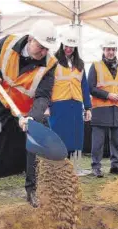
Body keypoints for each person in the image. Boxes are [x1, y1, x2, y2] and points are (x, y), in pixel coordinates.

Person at [0, 20, 58, 207]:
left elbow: (43, 96)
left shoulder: (50, 64)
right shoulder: (6, 43)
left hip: (27, 109)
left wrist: (32, 118)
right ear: (30, 39)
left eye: (47, 49)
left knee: (32, 147)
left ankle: (31, 190)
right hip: (2, 104)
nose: (44, 52)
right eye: (41, 47)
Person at [47, 30, 92, 161]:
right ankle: (57, 164)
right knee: (58, 134)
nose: (68, 49)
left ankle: (74, 166)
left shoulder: (80, 64)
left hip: (76, 105)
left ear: (75, 47)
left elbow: (84, 86)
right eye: (66, 46)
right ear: (61, 45)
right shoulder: (53, 61)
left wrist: (88, 107)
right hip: (58, 104)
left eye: (71, 47)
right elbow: (47, 85)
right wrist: (47, 105)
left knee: (76, 136)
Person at [88, 39, 118, 178]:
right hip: (100, 108)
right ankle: (96, 167)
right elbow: (91, 88)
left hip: (116, 109)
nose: (110, 52)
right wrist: (108, 95)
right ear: (103, 50)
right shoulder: (95, 66)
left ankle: (115, 165)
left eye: (113, 49)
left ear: (116, 51)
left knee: (116, 141)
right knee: (98, 142)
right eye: (108, 49)